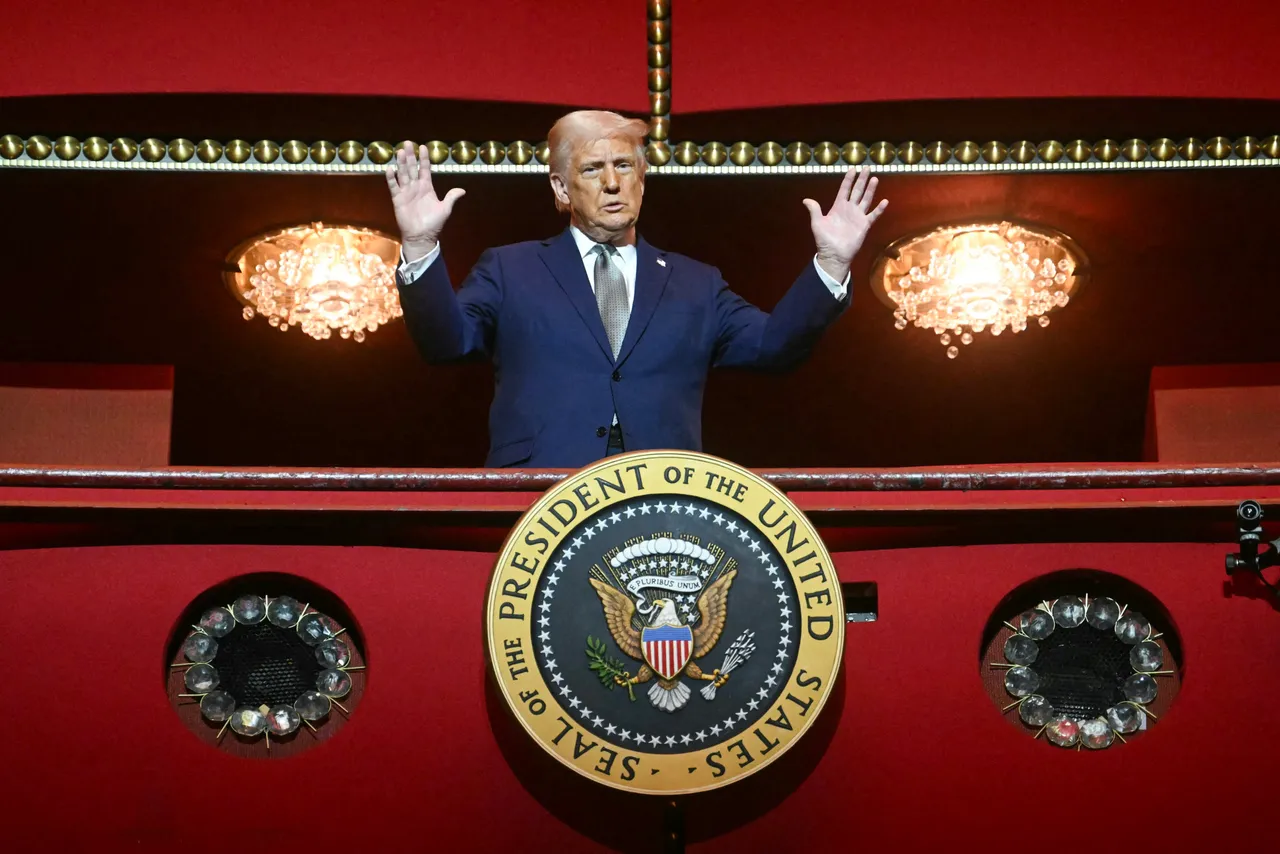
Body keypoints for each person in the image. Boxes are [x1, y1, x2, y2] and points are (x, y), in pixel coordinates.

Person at [386, 110, 887, 468]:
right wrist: (420, 244)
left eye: (624, 166)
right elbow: (445, 343)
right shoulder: (510, 268)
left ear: (642, 180)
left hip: (662, 498)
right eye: (592, 169)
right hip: (541, 495)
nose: (612, 183)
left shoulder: (696, 283)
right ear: (561, 188)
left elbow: (774, 347)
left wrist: (832, 262)